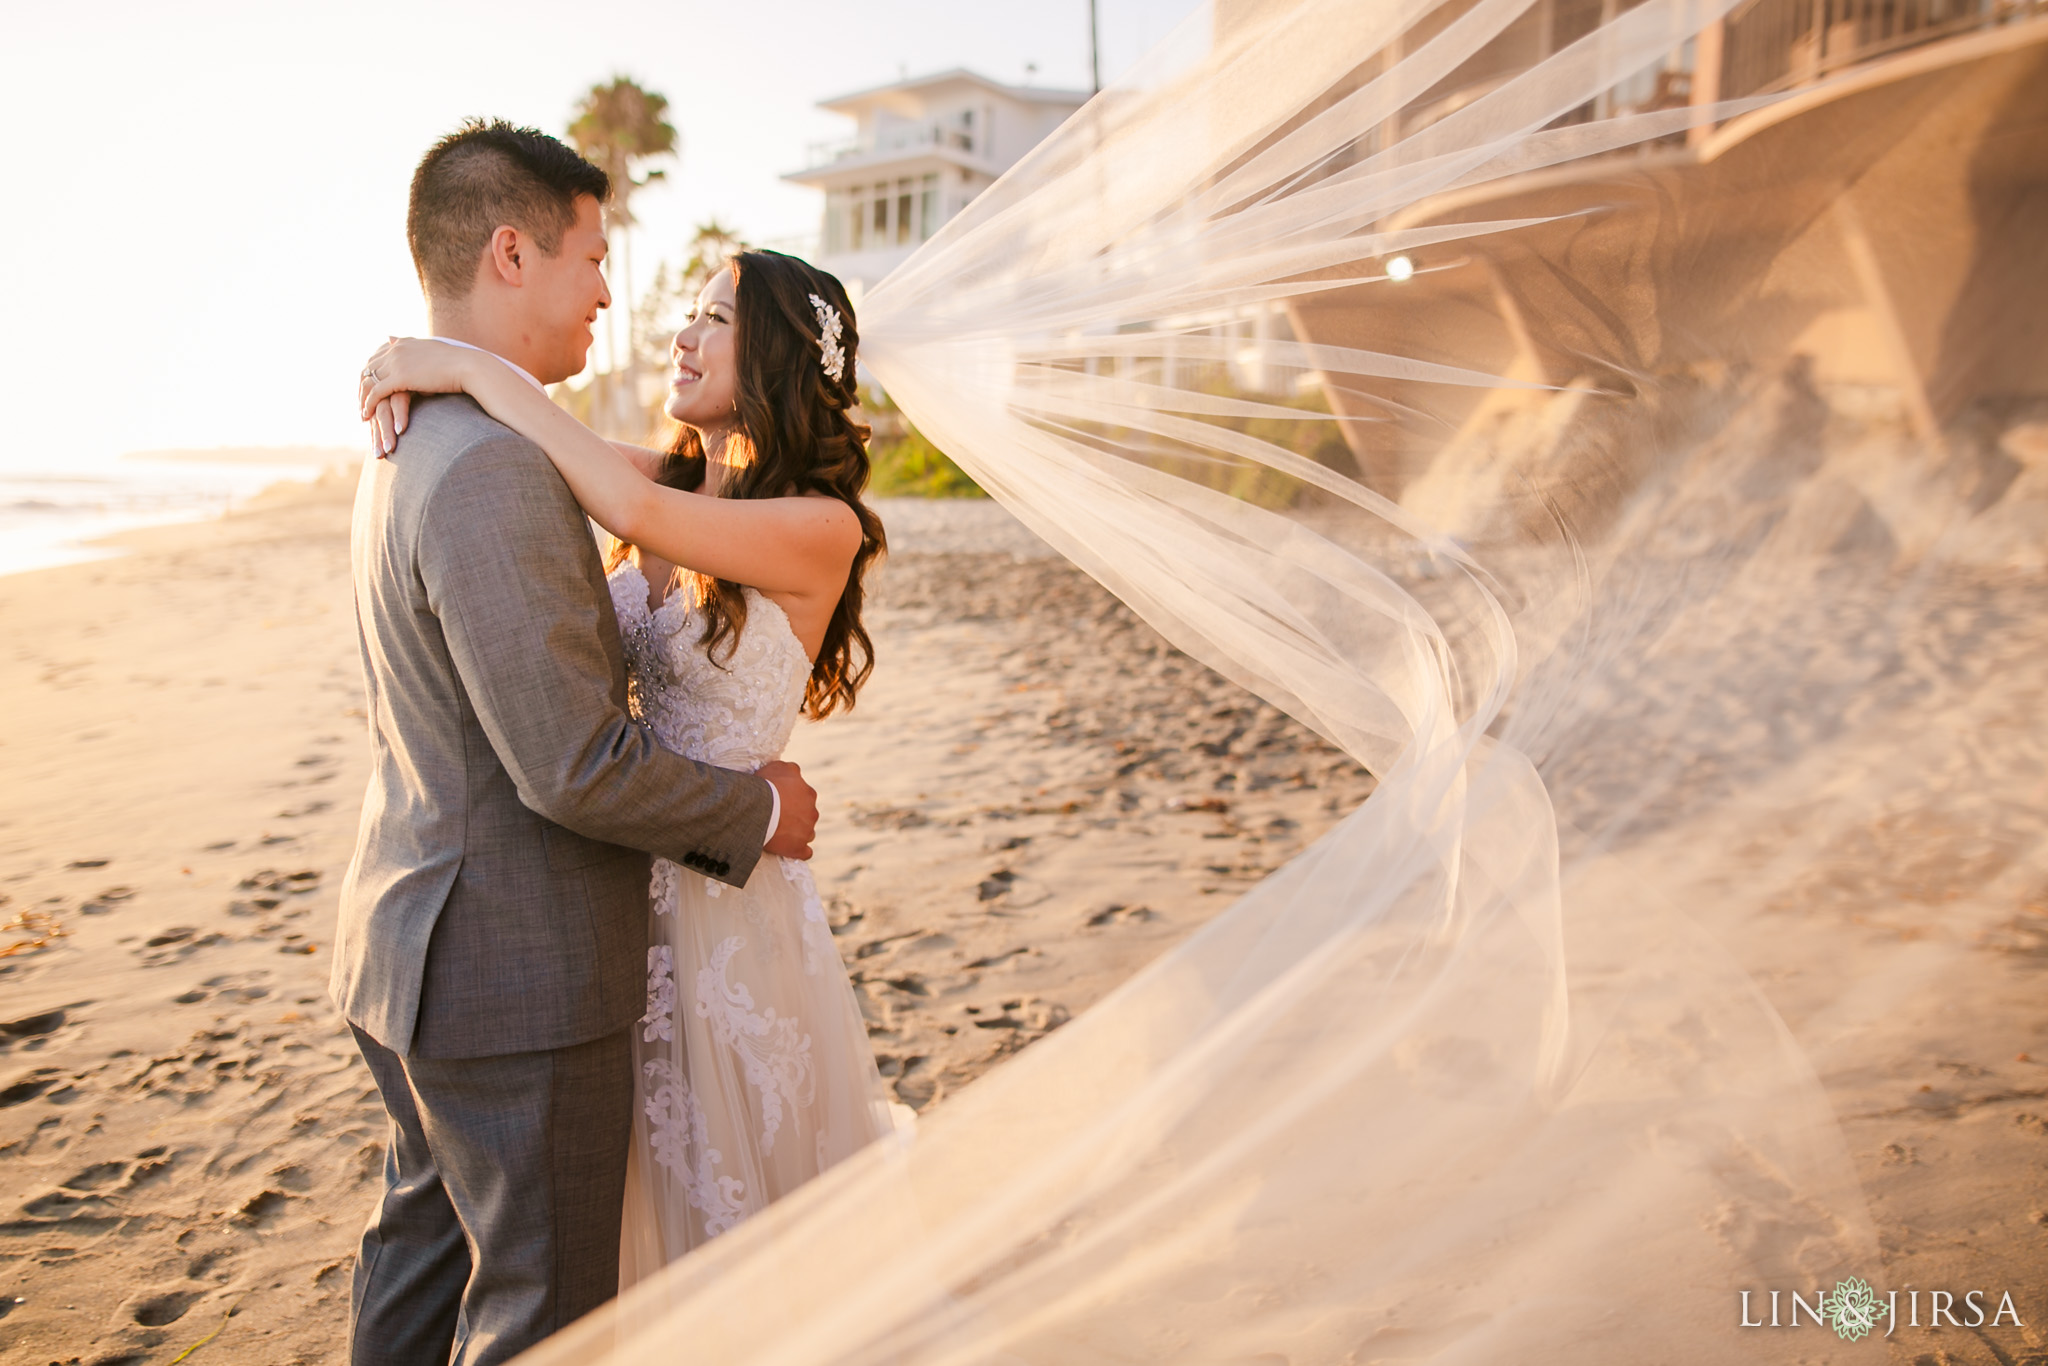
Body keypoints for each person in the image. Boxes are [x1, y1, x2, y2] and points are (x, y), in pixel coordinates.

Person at [336, 120, 820, 1366]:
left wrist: (446, 361)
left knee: (426, 1257)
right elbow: (567, 764)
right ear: (512, 251)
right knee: (537, 1310)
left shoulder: (423, 438)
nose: (616, 289)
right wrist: (758, 814)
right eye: (593, 257)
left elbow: (640, 497)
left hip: (417, 936)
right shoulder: (489, 461)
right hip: (513, 970)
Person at [358, 246, 898, 1281]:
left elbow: (629, 509)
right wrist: (412, 364)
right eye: (687, 314)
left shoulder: (819, 528)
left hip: (728, 911)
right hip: (610, 882)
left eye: (715, 319)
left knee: (731, 1216)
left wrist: (466, 366)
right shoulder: (673, 478)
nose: (682, 336)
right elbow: (551, 457)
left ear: (780, 357)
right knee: (613, 1221)